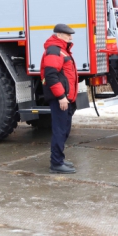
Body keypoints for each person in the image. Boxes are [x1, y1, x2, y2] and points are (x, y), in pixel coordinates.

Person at [40, 23, 79, 174]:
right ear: (59, 35)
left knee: (64, 129)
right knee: (60, 130)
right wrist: (61, 96)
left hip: (65, 98)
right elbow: (50, 75)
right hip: (60, 99)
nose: (70, 37)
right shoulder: (54, 50)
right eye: (68, 35)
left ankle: (59, 159)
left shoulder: (62, 50)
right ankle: (56, 163)